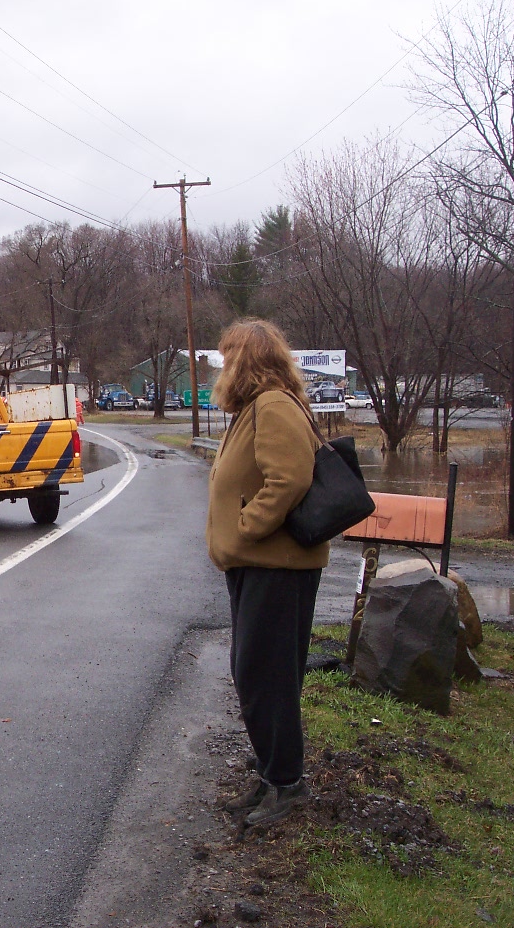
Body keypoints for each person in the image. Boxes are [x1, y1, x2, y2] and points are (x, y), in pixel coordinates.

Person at [206, 318, 327, 827]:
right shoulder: (255, 407)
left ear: (247, 361)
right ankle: (270, 771)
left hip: (276, 565)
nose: (222, 367)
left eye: (228, 357)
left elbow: (290, 478)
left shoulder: (273, 406)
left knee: (265, 675)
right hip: (259, 565)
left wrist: (248, 525)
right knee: (257, 672)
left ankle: (287, 783)